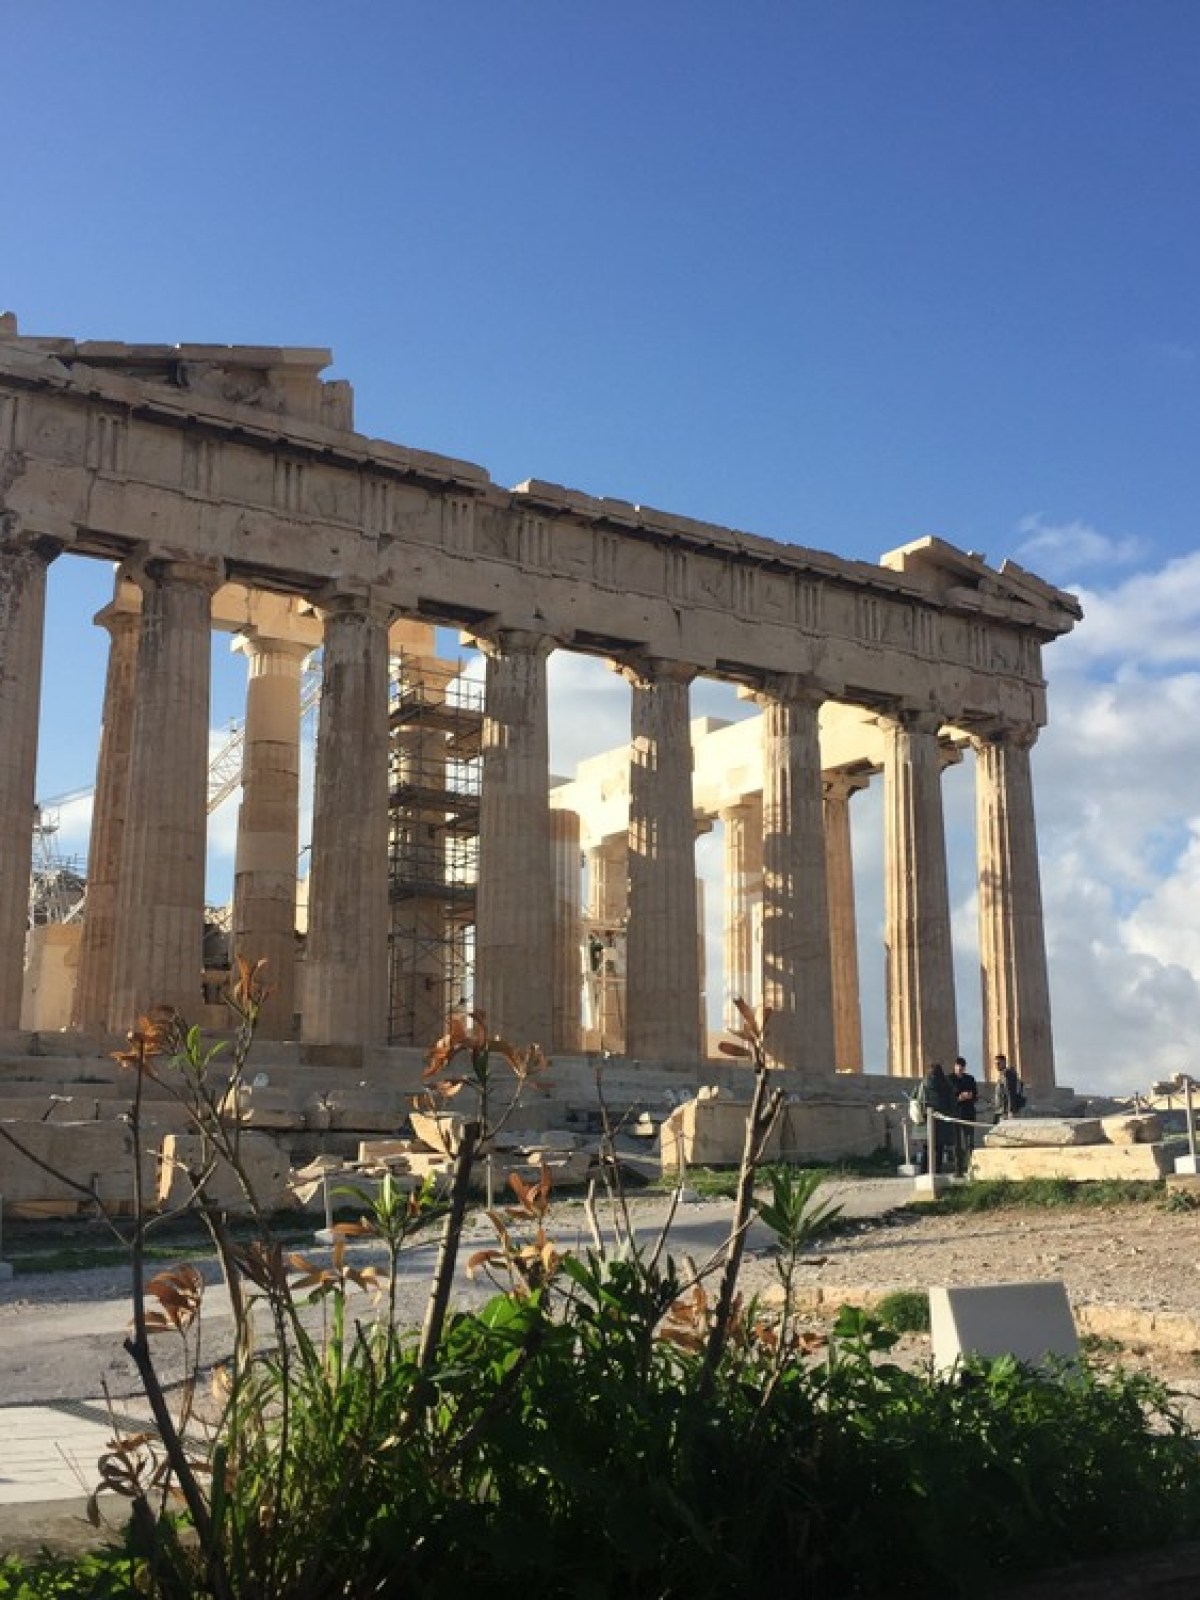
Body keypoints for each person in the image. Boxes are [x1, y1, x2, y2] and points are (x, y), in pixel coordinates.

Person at [919, 1061, 955, 1173]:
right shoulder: (947, 1083)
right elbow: (952, 1100)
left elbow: (920, 1099)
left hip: (928, 1117)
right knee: (940, 1146)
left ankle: (924, 1169)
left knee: (927, 1146)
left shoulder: (925, 1082)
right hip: (942, 1117)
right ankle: (937, 1169)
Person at [949, 1055, 978, 1176]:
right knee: (957, 1144)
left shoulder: (970, 1079)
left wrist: (970, 1095)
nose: (960, 1070)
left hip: (969, 1113)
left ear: (964, 1068)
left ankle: (971, 1168)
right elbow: (948, 1097)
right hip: (956, 1114)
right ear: (955, 1067)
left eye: (962, 1068)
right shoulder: (949, 1079)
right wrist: (958, 1098)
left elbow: (976, 1095)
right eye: (958, 1067)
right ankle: (958, 1170)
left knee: (969, 1142)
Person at [994, 1053, 1023, 1119]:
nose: (996, 1066)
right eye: (995, 1064)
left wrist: (1011, 1111)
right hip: (1003, 1110)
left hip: (1006, 1111)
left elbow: (1011, 1092)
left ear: (1004, 1062)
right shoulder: (1003, 1075)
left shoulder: (1007, 1074)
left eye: (998, 1063)